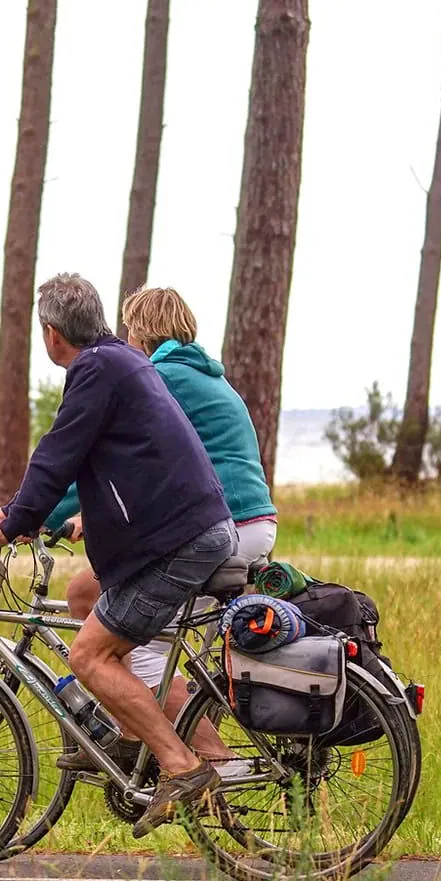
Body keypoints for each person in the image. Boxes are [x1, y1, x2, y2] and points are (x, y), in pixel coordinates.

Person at [0, 274, 237, 838]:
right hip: (184, 534)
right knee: (86, 598)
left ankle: (184, 768)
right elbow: (80, 462)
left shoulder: (96, 369)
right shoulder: (119, 360)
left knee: (90, 657)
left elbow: (58, 453)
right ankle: (137, 737)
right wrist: (24, 516)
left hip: (179, 542)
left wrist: (13, 522)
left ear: (50, 334)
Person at [47, 287, 279, 769]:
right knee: (87, 593)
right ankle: (135, 735)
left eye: (130, 329)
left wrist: (45, 514)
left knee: (134, 636)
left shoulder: (160, 377)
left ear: (140, 331)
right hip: (251, 523)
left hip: (219, 527)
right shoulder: (205, 376)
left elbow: (101, 452)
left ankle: (210, 759)